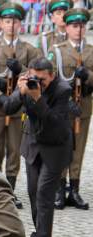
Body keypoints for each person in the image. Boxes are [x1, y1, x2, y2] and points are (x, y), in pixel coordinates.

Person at [4, 58, 73, 237]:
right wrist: (21, 92)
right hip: (33, 146)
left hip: (55, 148)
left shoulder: (63, 90)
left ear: (51, 75)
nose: (38, 83)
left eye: (42, 79)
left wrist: (38, 98)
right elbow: (8, 107)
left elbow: (53, 123)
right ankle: (41, 235)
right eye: (35, 78)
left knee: (44, 193)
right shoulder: (28, 82)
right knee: (33, 191)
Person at [0, 1, 40, 209]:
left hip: (18, 107)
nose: (11, 25)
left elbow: (36, 74)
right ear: (1, 23)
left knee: (14, 150)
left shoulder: (29, 49)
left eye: (15, 22)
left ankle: (9, 190)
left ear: (21, 25)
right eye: (7, 21)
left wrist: (20, 69)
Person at [48, 8, 92, 210]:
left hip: (83, 106)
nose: (79, 30)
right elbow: (50, 79)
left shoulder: (91, 50)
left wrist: (88, 76)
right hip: (64, 107)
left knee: (79, 148)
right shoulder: (58, 49)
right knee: (63, 147)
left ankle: (74, 189)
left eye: (82, 26)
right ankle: (60, 188)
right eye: (75, 26)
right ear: (66, 27)